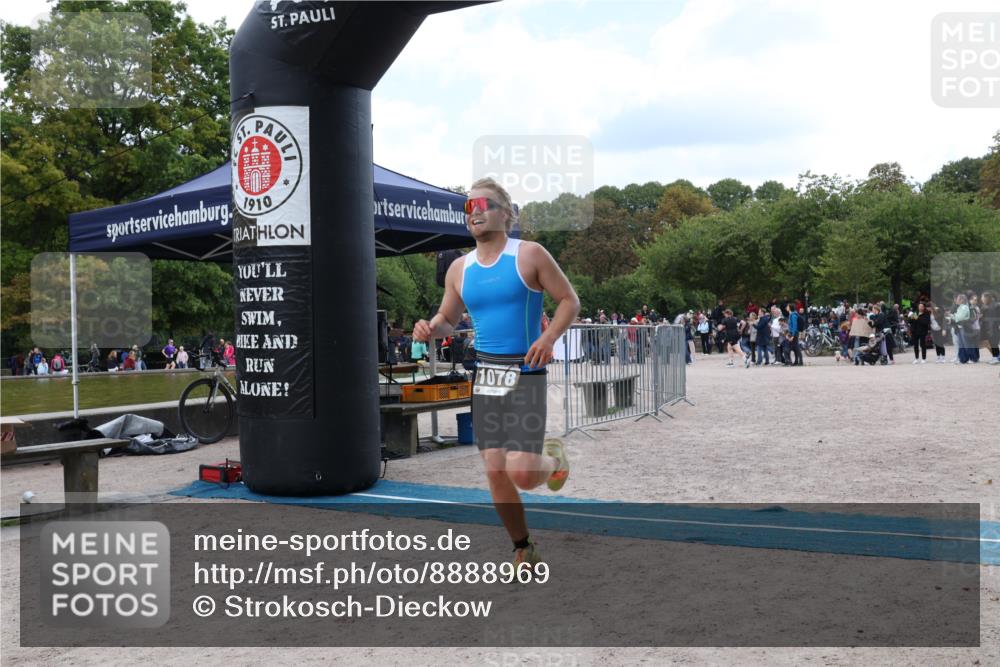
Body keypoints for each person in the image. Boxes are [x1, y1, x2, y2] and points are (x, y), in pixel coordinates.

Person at [412, 177, 579, 568]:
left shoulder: (530, 254)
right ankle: (523, 546)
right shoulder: (459, 268)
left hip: (526, 370)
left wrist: (549, 336)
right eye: (469, 207)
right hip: (487, 375)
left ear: (506, 213)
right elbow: (448, 318)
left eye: (483, 205)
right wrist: (431, 327)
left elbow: (569, 300)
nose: (475, 212)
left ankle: (554, 459)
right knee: (495, 469)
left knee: (521, 472)